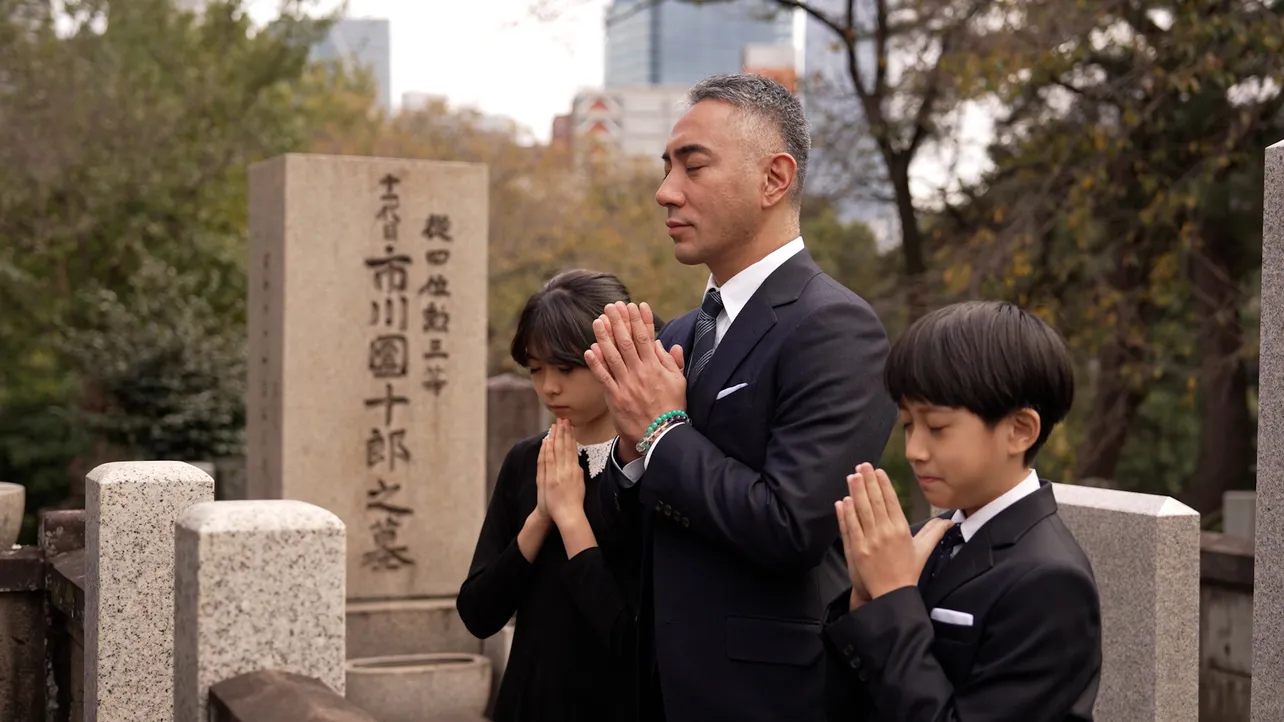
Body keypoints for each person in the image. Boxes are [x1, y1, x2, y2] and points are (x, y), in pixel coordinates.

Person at [582, 73, 898, 722]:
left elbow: (791, 525)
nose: (665, 191)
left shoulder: (834, 327)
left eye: (693, 167)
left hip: (771, 696)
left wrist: (665, 430)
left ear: (774, 179)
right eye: (666, 167)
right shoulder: (677, 335)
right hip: (659, 686)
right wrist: (627, 450)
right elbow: (621, 539)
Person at [823, 300, 1102, 721]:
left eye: (936, 428)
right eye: (908, 425)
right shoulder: (930, 538)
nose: (914, 451)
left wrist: (894, 598)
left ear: (1019, 430)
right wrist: (864, 599)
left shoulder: (1050, 580)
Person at [456, 269, 659, 722]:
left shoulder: (654, 466)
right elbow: (478, 613)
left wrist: (571, 519)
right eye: (535, 369)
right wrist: (539, 519)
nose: (548, 386)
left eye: (566, 368)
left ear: (612, 354)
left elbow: (630, 637)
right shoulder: (527, 460)